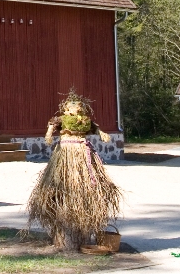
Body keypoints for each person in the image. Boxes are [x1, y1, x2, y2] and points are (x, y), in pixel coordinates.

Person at [27, 91, 121, 249]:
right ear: (66, 108)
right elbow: (52, 125)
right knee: (58, 185)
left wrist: (102, 133)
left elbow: (94, 128)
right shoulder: (62, 119)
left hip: (82, 153)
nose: (76, 108)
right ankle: (63, 235)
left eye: (78, 105)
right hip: (66, 152)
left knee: (87, 185)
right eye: (72, 105)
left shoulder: (85, 120)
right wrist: (49, 134)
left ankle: (82, 225)